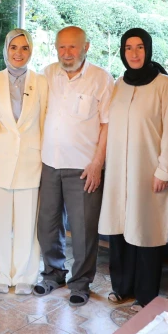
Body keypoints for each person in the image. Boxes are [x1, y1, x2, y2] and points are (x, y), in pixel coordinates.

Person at [99, 28, 168, 311]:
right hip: (118, 173)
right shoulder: (119, 84)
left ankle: (146, 296)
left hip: (148, 172)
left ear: (148, 49)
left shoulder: (164, 85)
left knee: (145, 231)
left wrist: (165, 170)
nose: (134, 53)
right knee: (120, 230)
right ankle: (122, 288)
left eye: (139, 47)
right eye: (128, 48)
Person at [33, 26, 113, 307]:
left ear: (86, 47)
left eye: (72, 47)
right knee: (47, 225)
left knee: (83, 230)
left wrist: (97, 163)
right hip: (49, 162)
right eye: (61, 47)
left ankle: (80, 283)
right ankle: (53, 274)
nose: (66, 53)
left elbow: (107, 124)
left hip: (83, 166)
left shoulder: (101, 78)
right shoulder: (46, 74)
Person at [0, 29, 48, 295]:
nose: (19, 53)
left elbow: (45, 121)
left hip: (30, 161)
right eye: (13, 47)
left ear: (31, 51)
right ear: (6, 50)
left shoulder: (42, 82)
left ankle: (25, 276)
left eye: (24, 48)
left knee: (27, 224)